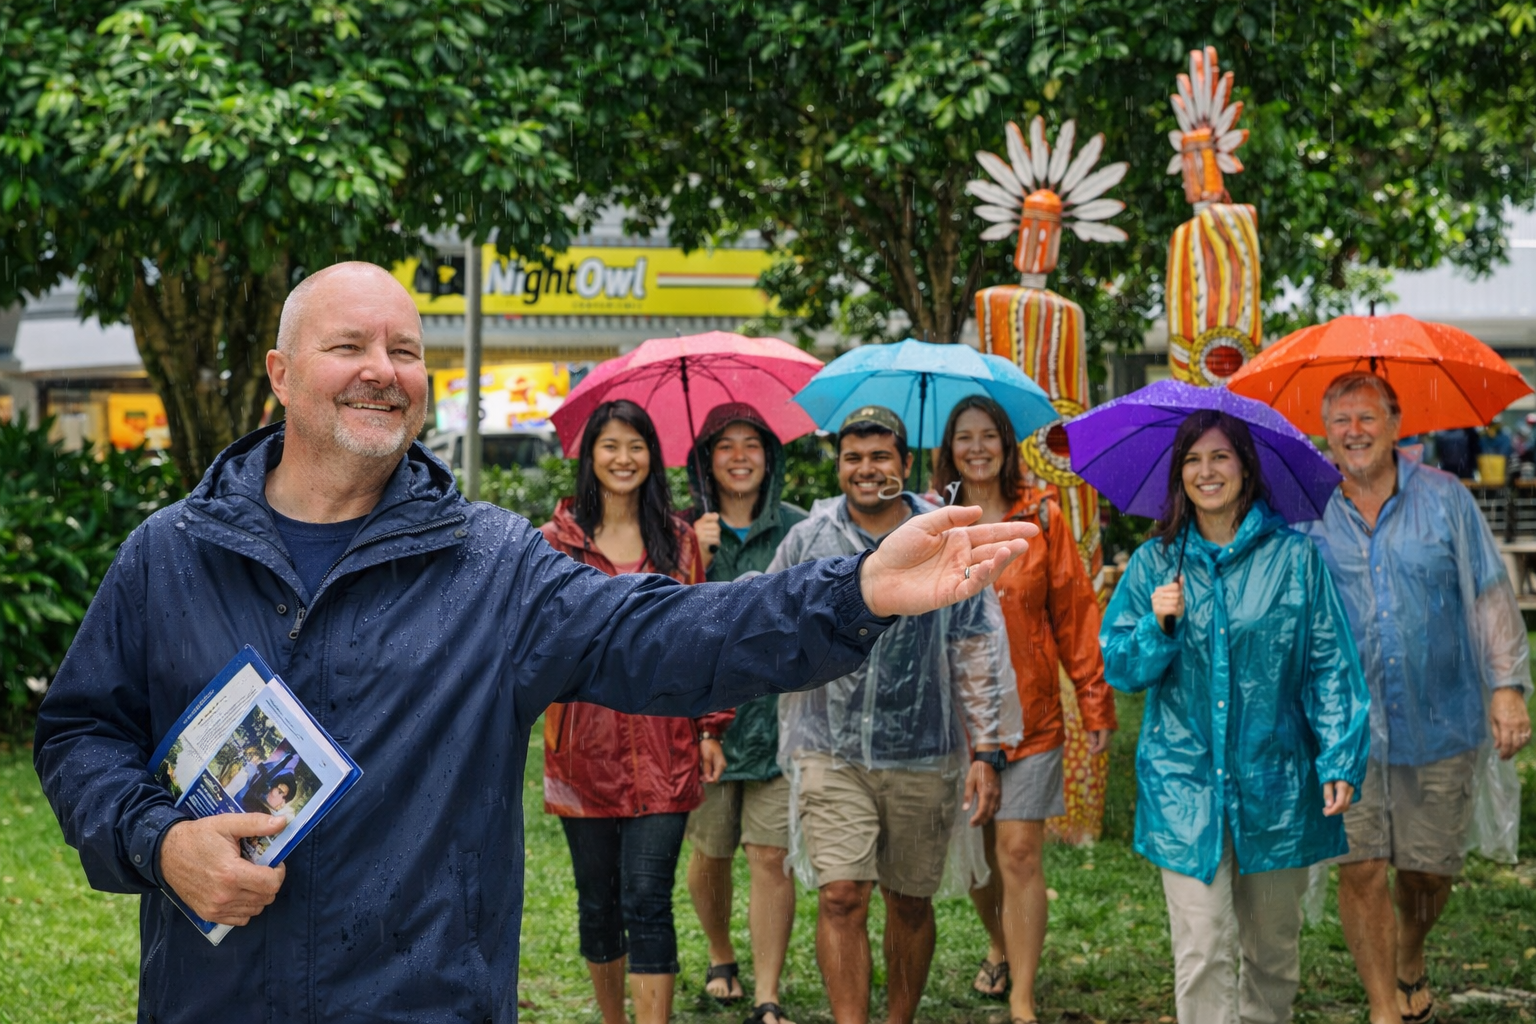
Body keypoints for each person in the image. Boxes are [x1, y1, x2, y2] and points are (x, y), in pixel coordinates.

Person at [31, 262, 1036, 1024]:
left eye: (407, 349)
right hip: (216, 1002)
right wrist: (157, 843)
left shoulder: (493, 565)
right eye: (350, 347)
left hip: (424, 1000)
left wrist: (855, 590)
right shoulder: (171, 555)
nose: (383, 371)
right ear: (282, 374)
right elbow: (80, 737)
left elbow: (674, 633)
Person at [1101, 409, 1370, 1024]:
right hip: (1183, 785)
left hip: (1276, 782)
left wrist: (1339, 756)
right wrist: (1156, 625)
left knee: (1272, 950)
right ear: (1179, 476)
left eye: (1220, 456)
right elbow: (1119, 667)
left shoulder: (1296, 560)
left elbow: (1331, 663)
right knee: (1201, 948)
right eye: (1193, 460)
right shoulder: (1153, 566)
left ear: (1246, 468)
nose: (1206, 471)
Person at [769, 405, 1022, 1024]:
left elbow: (977, 646)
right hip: (828, 748)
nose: (866, 469)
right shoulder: (809, 538)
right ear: (838, 465)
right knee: (842, 896)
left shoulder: (943, 535)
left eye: (880, 456)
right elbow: (771, 619)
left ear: (904, 465)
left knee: (910, 901)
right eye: (853, 457)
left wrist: (986, 750)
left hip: (923, 752)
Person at [1301, 372, 1533, 1024]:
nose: (1354, 432)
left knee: (1429, 874)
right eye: (1341, 420)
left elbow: (1488, 594)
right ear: (1327, 431)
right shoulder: (1308, 509)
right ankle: (1383, 1007)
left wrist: (1508, 688)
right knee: (1363, 868)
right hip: (1344, 730)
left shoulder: (1446, 499)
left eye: (1367, 417)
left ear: (1396, 426)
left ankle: (1411, 953)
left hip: (1441, 717)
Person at [539, 399, 731, 1024]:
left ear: (653, 457)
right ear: (589, 456)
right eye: (610, 445)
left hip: (664, 742)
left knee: (648, 898)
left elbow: (706, 635)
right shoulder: (554, 543)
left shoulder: (678, 542)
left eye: (636, 446)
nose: (624, 459)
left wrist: (709, 727)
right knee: (599, 902)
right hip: (582, 747)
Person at [929, 395, 1116, 1024]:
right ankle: (999, 943)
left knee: (1018, 854)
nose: (976, 448)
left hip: (1032, 715)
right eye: (964, 438)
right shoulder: (932, 521)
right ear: (948, 449)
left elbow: (1075, 612)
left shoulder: (1042, 516)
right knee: (979, 860)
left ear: (1007, 446)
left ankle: (1023, 998)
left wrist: (1094, 704)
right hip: (957, 720)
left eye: (989, 437)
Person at [683, 403, 808, 1024]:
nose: (739, 456)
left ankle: (767, 992)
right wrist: (689, 556)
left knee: (769, 855)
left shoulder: (798, 529)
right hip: (707, 724)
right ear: (706, 461)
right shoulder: (683, 530)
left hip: (780, 723)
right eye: (724, 446)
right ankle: (719, 952)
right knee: (710, 853)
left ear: (770, 456)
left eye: (751, 444)